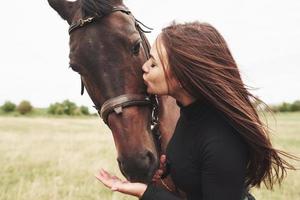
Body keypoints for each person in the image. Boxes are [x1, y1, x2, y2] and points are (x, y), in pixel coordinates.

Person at [95, 21, 295, 200]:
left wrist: (146, 193)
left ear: (182, 77)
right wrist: (170, 171)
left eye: (154, 63)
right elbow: (196, 163)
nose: (144, 68)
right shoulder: (189, 113)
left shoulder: (222, 139)